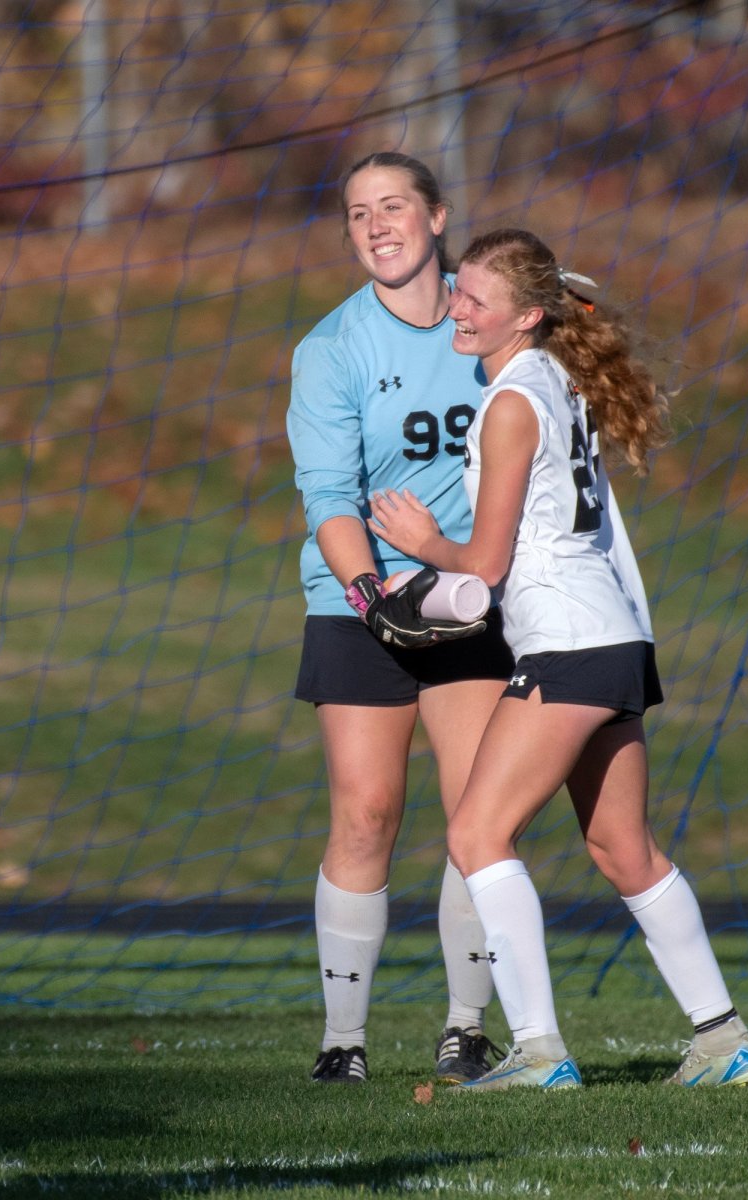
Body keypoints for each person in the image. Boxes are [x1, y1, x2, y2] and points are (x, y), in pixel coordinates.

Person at [368, 227, 748, 1089]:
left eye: (476, 298)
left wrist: (420, 542)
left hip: (571, 644)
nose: (457, 308)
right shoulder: (554, 378)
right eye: (458, 289)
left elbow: (486, 562)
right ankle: (724, 1039)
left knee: (477, 833)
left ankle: (539, 1051)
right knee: (623, 847)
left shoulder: (512, 402)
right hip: (615, 636)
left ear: (525, 317)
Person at [286, 153, 516, 1084]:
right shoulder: (332, 347)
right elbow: (329, 496)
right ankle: (343, 1042)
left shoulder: (488, 319)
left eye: (393, 207)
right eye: (356, 214)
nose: (376, 225)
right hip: (363, 600)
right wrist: (372, 594)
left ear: (436, 216)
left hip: (469, 595)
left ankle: (466, 1027)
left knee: (477, 817)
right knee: (367, 812)